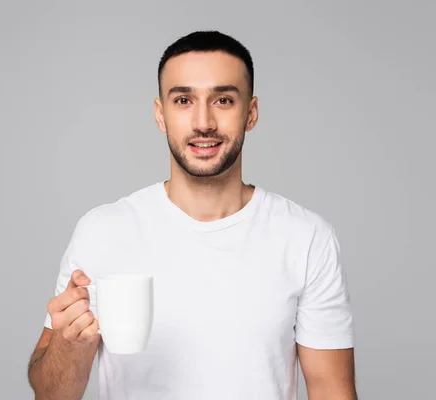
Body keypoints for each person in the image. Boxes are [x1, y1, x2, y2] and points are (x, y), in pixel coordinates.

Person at [28, 30, 357, 399]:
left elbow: (333, 391)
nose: (204, 122)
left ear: (251, 113)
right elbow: (49, 394)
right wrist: (69, 346)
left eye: (223, 100)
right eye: (183, 100)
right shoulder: (101, 232)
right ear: (160, 115)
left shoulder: (306, 238)